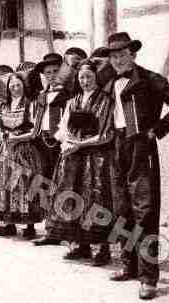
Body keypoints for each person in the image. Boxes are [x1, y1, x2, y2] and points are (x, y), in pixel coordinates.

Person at [104, 32, 169, 300]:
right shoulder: (109, 81)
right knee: (121, 209)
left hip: (141, 148)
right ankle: (128, 266)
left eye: (122, 54)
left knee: (144, 212)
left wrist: (157, 129)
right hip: (116, 146)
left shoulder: (149, 79)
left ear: (133, 55)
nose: (117, 60)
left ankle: (148, 278)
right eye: (113, 55)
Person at [48, 60, 115, 266]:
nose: (85, 81)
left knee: (97, 199)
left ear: (96, 78)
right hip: (73, 158)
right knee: (74, 197)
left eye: (89, 77)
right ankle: (82, 245)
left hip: (96, 158)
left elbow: (106, 134)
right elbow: (63, 128)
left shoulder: (105, 101)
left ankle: (103, 249)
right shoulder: (73, 100)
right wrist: (67, 143)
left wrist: (79, 144)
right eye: (82, 78)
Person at [0, 73, 44, 238]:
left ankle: (29, 226)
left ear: (24, 86)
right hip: (6, 150)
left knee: (26, 185)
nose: (15, 88)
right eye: (12, 86)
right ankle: (9, 223)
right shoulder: (3, 106)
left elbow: (36, 131)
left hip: (25, 150)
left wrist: (17, 137)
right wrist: (3, 137)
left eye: (18, 85)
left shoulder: (30, 104)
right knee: (6, 184)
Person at [29, 53, 71, 246]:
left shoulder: (68, 94)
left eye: (56, 71)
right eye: (48, 72)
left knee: (62, 186)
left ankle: (64, 230)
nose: (52, 75)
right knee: (44, 185)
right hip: (41, 142)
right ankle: (50, 230)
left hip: (59, 143)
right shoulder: (41, 95)